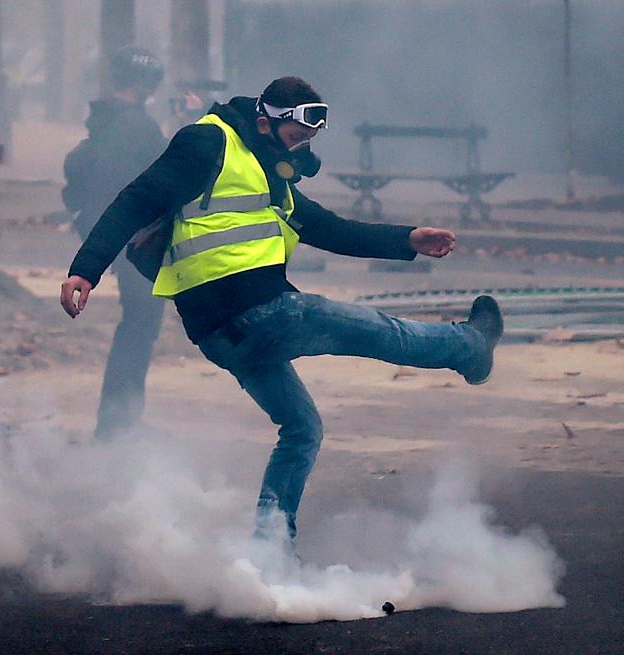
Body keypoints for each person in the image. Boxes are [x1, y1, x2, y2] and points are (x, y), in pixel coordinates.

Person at [60, 76, 503, 545]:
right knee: (385, 333)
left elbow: (329, 229)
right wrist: (85, 270)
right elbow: (135, 200)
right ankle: (470, 348)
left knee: (301, 428)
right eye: (297, 138)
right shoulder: (207, 142)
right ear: (265, 122)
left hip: (221, 337)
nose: (302, 149)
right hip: (264, 312)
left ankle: (271, 549)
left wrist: (407, 239)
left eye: (309, 140)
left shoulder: (267, 173)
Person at [61, 46, 169, 439]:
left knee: (136, 327)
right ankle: (117, 424)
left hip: (115, 238)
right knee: (139, 328)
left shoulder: (105, 121)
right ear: (145, 85)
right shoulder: (137, 127)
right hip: (136, 243)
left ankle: (118, 421)